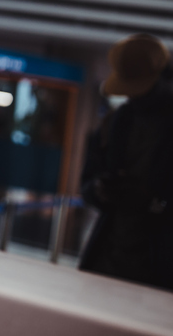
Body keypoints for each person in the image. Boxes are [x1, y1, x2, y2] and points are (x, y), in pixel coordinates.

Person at [79, 34, 173, 290]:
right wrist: (99, 190)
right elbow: (87, 184)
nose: (134, 97)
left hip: (160, 267)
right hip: (107, 260)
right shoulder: (116, 122)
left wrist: (156, 201)